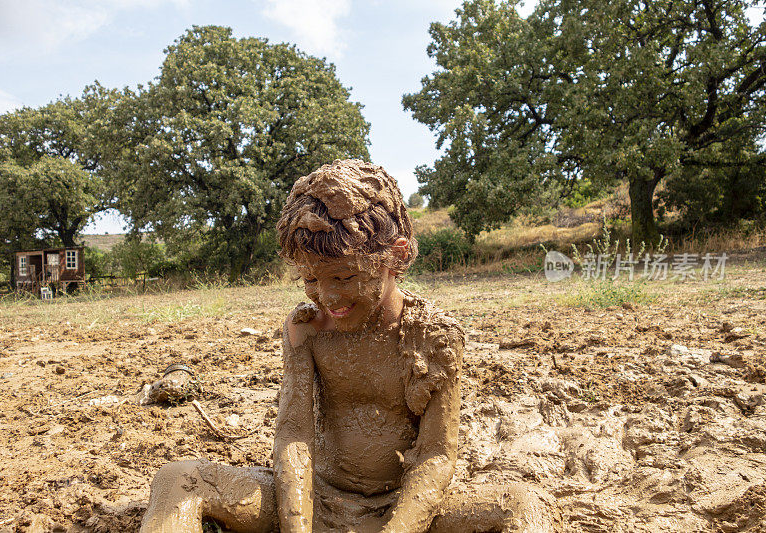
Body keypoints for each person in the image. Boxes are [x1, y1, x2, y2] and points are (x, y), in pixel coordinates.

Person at [139, 159, 557, 533]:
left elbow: (435, 456)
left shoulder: (433, 337)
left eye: (342, 278)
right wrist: (297, 524)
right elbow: (293, 436)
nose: (327, 297)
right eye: (310, 280)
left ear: (395, 256)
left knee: (521, 504)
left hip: (403, 508)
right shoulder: (306, 329)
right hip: (314, 498)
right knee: (178, 479)